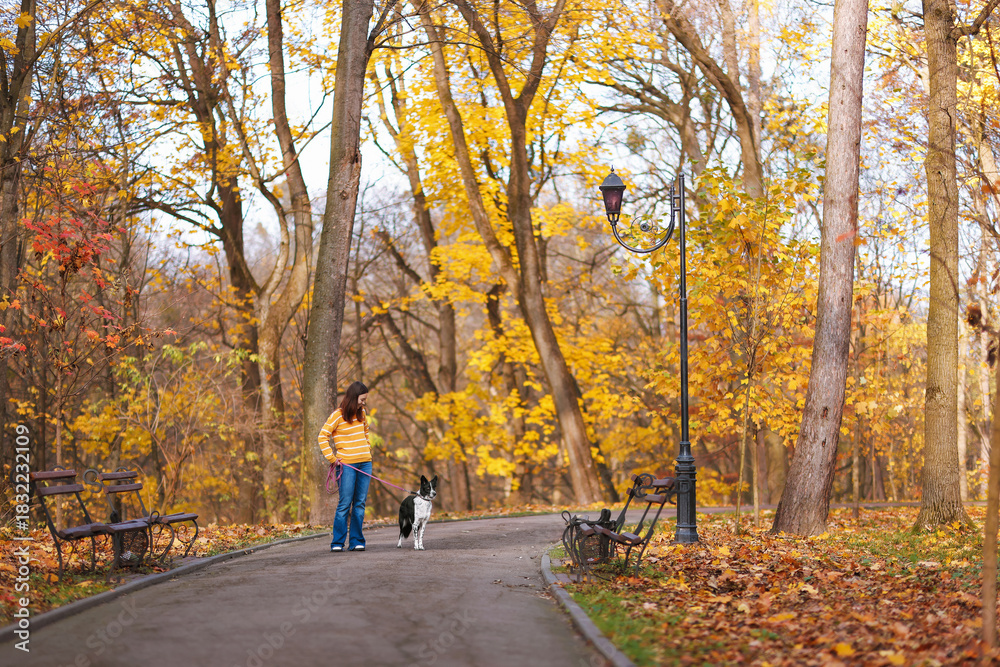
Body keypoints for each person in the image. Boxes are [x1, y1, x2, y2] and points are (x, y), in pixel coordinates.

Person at [318, 381, 372, 552]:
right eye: (361, 400)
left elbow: (366, 433)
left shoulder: (361, 413)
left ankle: (356, 541)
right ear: (353, 397)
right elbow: (322, 437)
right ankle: (338, 542)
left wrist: (367, 449)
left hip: (365, 463)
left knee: (360, 503)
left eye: (364, 400)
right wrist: (332, 459)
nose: (363, 403)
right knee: (345, 503)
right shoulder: (337, 415)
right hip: (347, 465)